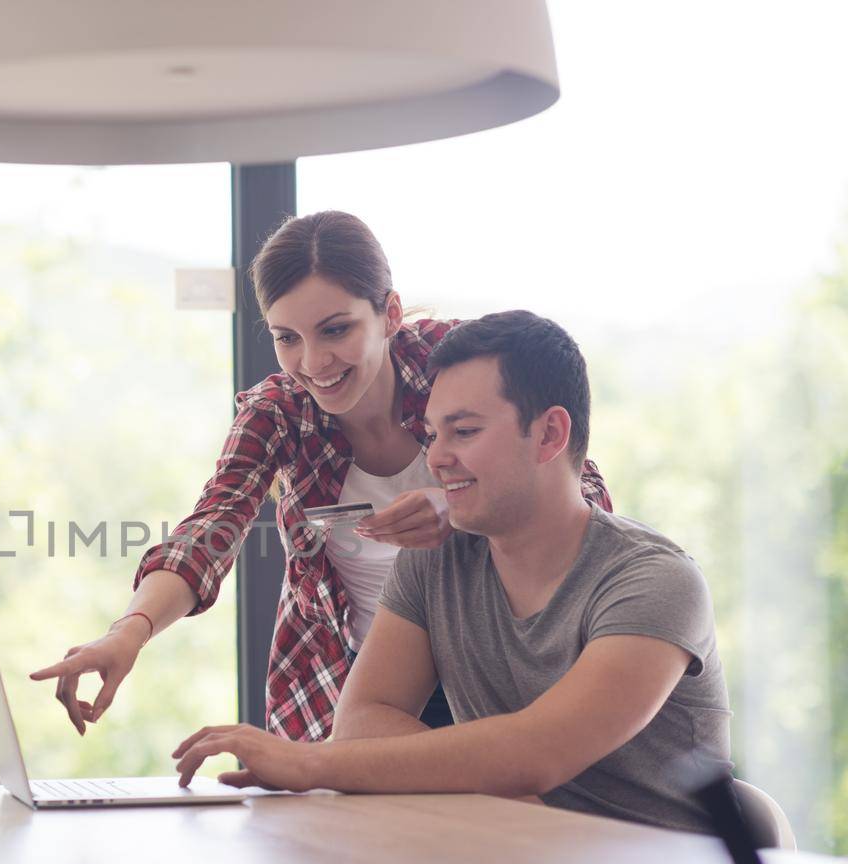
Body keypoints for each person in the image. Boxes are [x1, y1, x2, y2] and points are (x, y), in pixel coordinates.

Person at [30, 211, 611, 741]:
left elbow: (581, 490)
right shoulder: (277, 409)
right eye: (287, 339)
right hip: (352, 683)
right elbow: (212, 527)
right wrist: (128, 632)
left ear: (389, 314)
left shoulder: (457, 365)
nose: (313, 363)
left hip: (492, 666)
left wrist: (455, 505)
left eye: (336, 330)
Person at [170, 310, 734, 834]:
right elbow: (363, 718)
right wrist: (500, 783)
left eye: (464, 432)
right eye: (433, 434)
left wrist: (310, 762)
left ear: (550, 435)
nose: (436, 457)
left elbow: (539, 751)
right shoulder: (434, 562)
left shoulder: (655, 582)